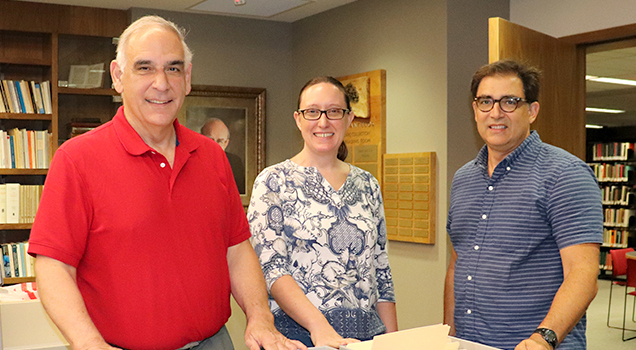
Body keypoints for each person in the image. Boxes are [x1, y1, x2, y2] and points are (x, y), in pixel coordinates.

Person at [27, 15, 306, 350]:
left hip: (214, 343)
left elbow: (236, 249)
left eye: (173, 68)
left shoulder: (212, 157)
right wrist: (89, 344)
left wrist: (260, 317)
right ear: (118, 76)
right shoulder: (76, 159)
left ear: (187, 78)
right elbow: (54, 267)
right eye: (144, 68)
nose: (161, 83)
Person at [444, 60, 603, 350]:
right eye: (485, 102)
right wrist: (449, 337)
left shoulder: (565, 174)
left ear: (532, 111)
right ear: (475, 110)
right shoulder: (463, 178)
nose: (495, 113)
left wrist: (543, 339)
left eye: (510, 102)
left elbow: (583, 274)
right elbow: (458, 265)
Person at [247, 76, 398, 348]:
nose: (323, 121)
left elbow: (381, 271)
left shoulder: (368, 185)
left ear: (349, 118)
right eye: (313, 112)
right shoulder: (274, 182)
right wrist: (320, 328)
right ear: (298, 119)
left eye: (334, 111)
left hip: (365, 338)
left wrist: (393, 342)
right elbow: (272, 270)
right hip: (299, 338)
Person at [201, 118, 246, 193]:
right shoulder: (192, 160)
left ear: (226, 143)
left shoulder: (235, 162)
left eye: (220, 141)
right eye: (210, 139)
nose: (214, 145)